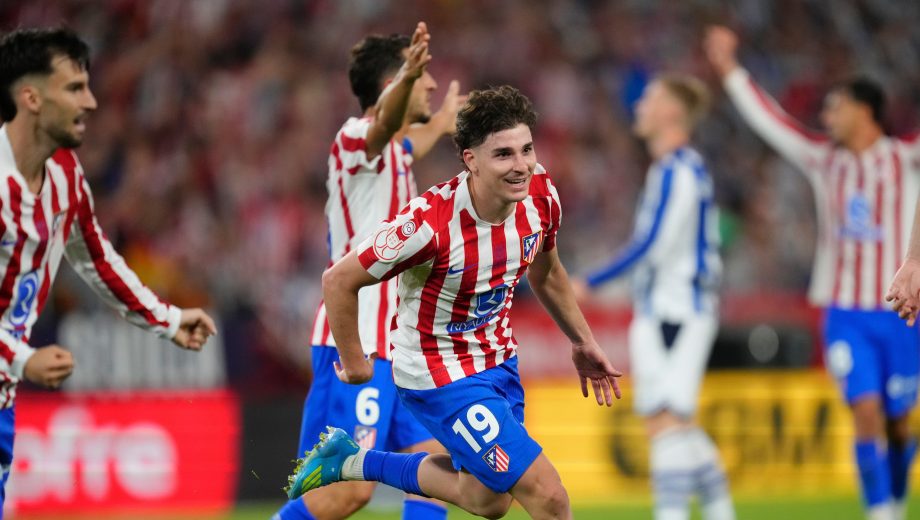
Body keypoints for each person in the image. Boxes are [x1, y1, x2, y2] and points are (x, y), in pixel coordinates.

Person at [286, 85, 622, 520]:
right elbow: (339, 281)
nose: (521, 166)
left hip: (497, 361)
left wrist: (581, 340)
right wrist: (355, 362)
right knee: (549, 495)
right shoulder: (429, 223)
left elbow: (548, 270)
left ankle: (351, 463)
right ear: (471, 160)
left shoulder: (541, 196)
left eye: (527, 150)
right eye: (503, 154)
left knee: (489, 500)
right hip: (436, 370)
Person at [705, 25, 920, 520]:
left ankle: (899, 498)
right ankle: (880, 513)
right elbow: (771, 122)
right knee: (864, 410)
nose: (826, 116)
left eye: (835, 107)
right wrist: (730, 71)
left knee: (900, 424)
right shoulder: (826, 161)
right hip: (844, 312)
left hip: (899, 313)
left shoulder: (905, 159)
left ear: (865, 112)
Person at [0, 27, 216, 510]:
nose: (92, 102)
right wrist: (21, 358)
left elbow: (96, 259)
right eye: (74, 88)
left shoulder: (65, 176)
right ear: (31, 97)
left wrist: (168, 319)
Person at [273, 22, 463, 520]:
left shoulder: (395, 156)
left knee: (434, 471)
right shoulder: (356, 139)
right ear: (391, 86)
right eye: (420, 76)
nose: (430, 84)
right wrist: (409, 80)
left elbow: (406, 143)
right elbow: (384, 127)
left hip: (400, 348)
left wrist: (442, 123)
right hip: (357, 342)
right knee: (347, 488)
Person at [572, 75, 734, 520]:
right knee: (672, 422)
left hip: (677, 310)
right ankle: (721, 509)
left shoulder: (678, 171)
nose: (640, 105)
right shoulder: (678, 169)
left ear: (671, 112)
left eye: (650, 99)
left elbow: (653, 245)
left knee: (665, 423)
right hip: (668, 307)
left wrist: (592, 280)